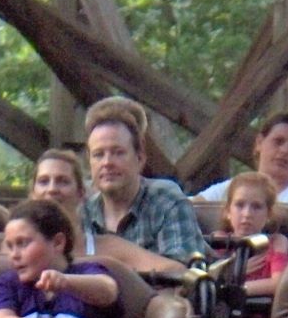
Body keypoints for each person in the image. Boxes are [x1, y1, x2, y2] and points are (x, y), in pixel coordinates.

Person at [82, 97, 209, 264]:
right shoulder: (82, 212)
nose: (107, 163)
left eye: (118, 152)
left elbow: (186, 274)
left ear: (140, 157)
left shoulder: (165, 200)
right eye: (98, 155)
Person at [0, 198, 122, 318]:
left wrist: (65, 282)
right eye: (10, 246)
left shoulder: (87, 271)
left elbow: (108, 290)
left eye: (23, 243)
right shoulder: (8, 283)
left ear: (58, 242)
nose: (14, 255)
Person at [31, 148, 185, 274]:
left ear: (81, 193)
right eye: (43, 182)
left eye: (62, 181)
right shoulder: (11, 246)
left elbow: (175, 270)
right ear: (32, 193)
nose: (51, 189)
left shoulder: (108, 247)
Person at [195, 111, 288, 221]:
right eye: (278, 141)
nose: (285, 150)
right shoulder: (233, 187)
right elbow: (188, 208)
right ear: (259, 143)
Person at [216, 172, 288, 298]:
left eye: (256, 207)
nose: (247, 214)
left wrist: (232, 290)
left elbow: (280, 283)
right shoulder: (219, 241)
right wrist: (231, 270)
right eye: (240, 205)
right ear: (228, 211)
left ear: (269, 215)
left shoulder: (276, 243)